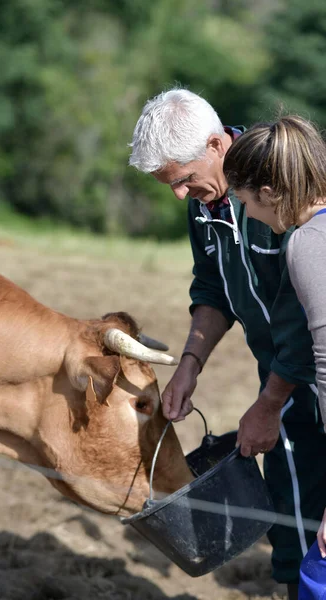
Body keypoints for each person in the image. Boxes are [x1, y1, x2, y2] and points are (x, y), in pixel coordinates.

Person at [129, 88, 326, 600]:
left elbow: (309, 328)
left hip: (305, 372)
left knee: (309, 508)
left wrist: (270, 402)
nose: (179, 195)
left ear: (217, 144)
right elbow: (213, 288)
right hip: (280, 373)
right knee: (291, 501)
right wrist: (190, 365)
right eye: (168, 185)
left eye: (184, 179)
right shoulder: (204, 205)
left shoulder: (282, 195)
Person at [223, 114, 326, 599]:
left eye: (243, 202)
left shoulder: (308, 244)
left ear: (269, 192)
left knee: (316, 577)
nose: (247, 214)